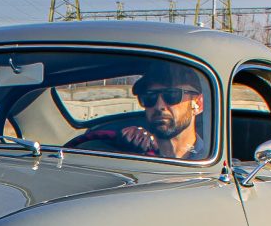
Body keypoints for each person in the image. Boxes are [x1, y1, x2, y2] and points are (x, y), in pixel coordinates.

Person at [66, 62, 209, 160]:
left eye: (171, 95)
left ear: (198, 103)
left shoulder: (210, 161)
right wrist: (126, 154)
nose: (159, 105)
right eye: (149, 97)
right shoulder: (125, 153)